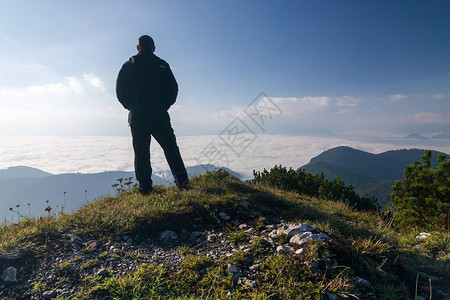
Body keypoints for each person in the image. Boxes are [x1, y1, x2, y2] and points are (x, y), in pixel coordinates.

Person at [116, 35, 190, 194]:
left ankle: (145, 189)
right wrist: (164, 106)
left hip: (137, 117)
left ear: (137, 48)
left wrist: (131, 107)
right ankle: (183, 183)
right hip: (159, 115)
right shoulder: (162, 65)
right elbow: (173, 89)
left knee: (141, 153)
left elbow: (120, 91)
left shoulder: (128, 66)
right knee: (171, 149)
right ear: (153, 48)